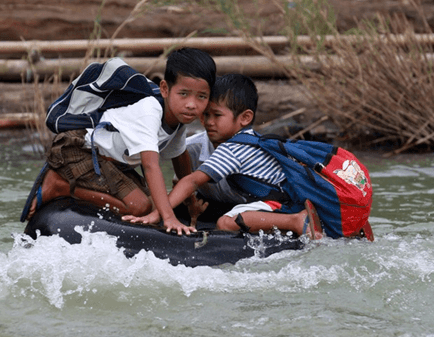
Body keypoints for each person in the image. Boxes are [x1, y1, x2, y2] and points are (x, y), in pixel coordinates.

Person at [23, 47, 216, 235]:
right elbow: (150, 166)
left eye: (202, 97)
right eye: (183, 94)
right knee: (139, 207)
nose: (192, 105)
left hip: (109, 162)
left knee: (151, 205)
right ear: (165, 89)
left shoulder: (179, 117)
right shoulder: (150, 111)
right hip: (79, 149)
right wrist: (169, 218)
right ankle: (59, 185)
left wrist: (190, 201)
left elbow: (180, 157)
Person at [123, 73, 326, 240]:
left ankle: (296, 221)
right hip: (259, 202)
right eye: (206, 115)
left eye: (217, 116)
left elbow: (192, 181)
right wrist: (190, 205)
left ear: (245, 118)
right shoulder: (195, 145)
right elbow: (180, 181)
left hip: (283, 202)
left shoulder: (236, 147)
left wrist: (159, 214)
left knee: (225, 223)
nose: (209, 122)